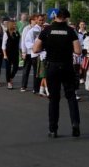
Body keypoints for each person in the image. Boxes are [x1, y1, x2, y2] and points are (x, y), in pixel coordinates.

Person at [33, 8, 82, 138]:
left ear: (54, 17)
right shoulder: (70, 31)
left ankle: (53, 129)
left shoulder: (47, 30)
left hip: (52, 66)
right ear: (65, 18)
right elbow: (77, 51)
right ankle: (75, 124)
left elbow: (35, 48)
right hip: (67, 66)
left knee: (54, 99)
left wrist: (47, 47)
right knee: (71, 96)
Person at [20, 14, 43, 93]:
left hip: (36, 53)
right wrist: (23, 52)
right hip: (28, 52)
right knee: (26, 70)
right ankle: (23, 86)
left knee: (36, 71)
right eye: (34, 19)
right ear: (31, 20)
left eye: (36, 19)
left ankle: (35, 88)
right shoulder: (27, 29)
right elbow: (23, 41)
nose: (35, 21)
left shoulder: (39, 29)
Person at [2, 19, 20, 89]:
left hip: (15, 52)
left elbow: (19, 44)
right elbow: (3, 45)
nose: (15, 25)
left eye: (15, 24)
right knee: (8, 68)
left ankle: (11, 77)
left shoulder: (17, 33)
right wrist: (5, 54)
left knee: (16, 67)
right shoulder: (6, 33)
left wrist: (21, 52)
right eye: (14, 24)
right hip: (8, 53)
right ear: (10, 25)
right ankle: (9, 82)